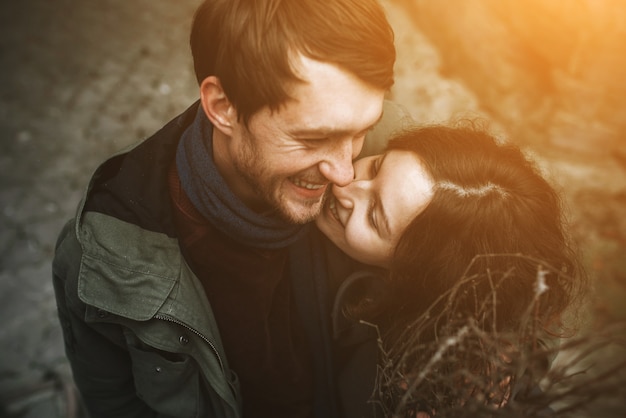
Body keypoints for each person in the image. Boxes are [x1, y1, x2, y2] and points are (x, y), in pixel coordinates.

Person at [52, 1, 410, 417]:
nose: (345, 172)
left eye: (361, 131)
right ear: (223, 107)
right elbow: (115, 404)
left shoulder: (391, 156)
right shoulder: (102, 257)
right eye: (312, 140)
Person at [315, 123, 586, 417]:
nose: (344, 185)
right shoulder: (367, 131)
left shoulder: (429, 388)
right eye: (376, 167)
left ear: (411, 273)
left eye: (373, 216)